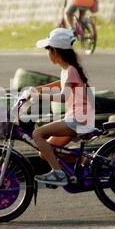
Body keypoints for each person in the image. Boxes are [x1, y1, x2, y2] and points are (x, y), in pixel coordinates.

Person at [26, 28, 95, 186]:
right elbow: (60, 84)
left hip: (78, 119)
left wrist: (39, 96)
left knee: (37, 134)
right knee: (46, 151)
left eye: (48, 50)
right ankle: (86, 160)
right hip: (77, 117)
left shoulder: (70, 70)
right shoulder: (67, 70)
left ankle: (58, 174)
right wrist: (37, 89)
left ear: (55, 51)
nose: (47, 54)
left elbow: (64, 96)